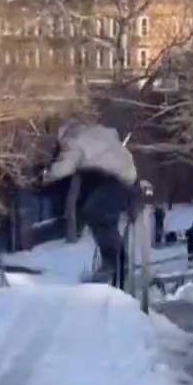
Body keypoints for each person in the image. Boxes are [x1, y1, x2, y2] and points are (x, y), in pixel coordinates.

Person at [42, 122, 140, 287]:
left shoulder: (72, 139)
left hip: (112, 179)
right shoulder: (99, 133)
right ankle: (118, 264)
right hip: (128, 179)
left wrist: (46, 177)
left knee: (95, 213)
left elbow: (65, 166)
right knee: (104, 217)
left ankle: (113, 262)